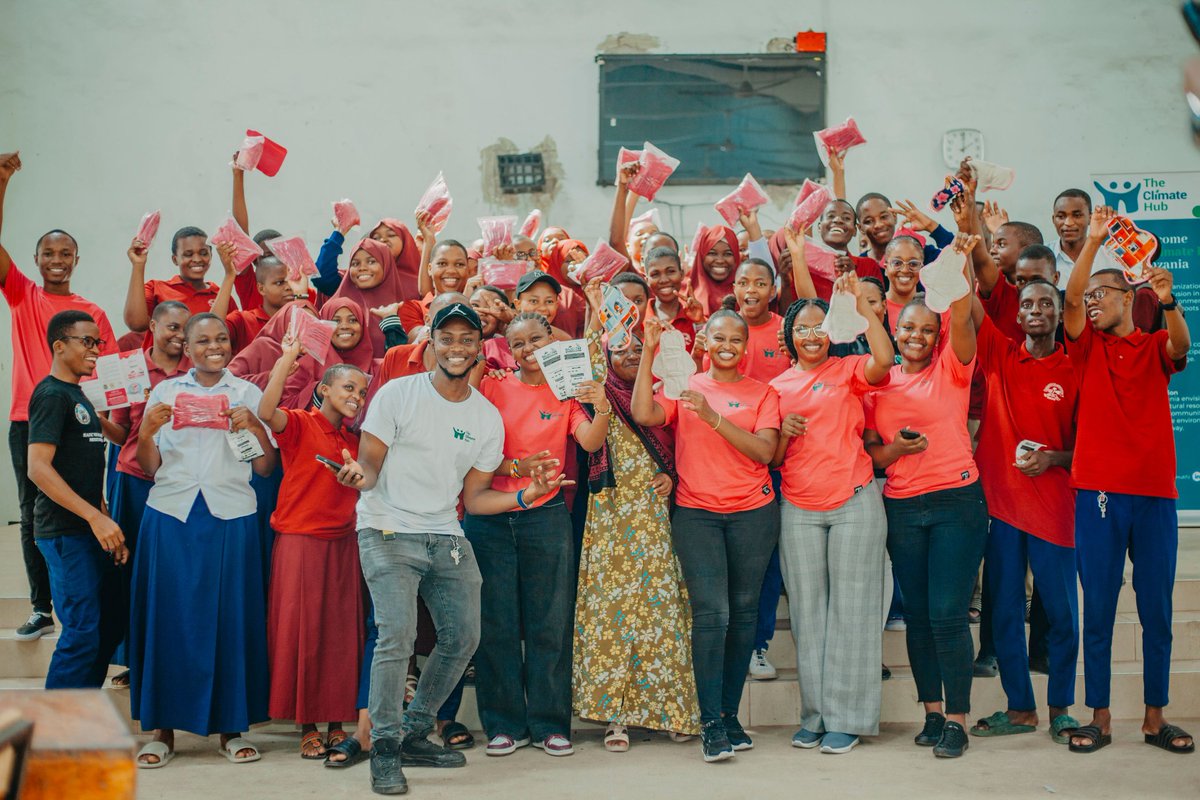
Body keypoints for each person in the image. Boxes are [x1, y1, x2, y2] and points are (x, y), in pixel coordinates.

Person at [334, 302, 569, 795]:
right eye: (447, 338)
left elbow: (478, 498)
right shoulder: (398, 394)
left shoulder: (485, 416)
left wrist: (527, 493)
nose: (457, 347)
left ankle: (417, 731)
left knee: (464, 638)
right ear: (432, 344)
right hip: (387, 528)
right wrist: (359, 477)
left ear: (480, 347)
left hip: (445, 532)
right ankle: (385, 747)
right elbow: (371, 463)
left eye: (467, 339)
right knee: (396, 637)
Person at [1063, 207, 1194, 755]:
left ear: (1127, 298)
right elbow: (1069, 303)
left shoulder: (1151, 344)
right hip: (1097, 492)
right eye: (1089, 297)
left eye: (1102, 295)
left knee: (1156, 609)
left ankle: (1155, 717)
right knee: (1097, 607)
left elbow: (1182, 347)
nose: (1092, 302)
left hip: (1155, 497)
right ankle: (1099, 716)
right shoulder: (1085, 345)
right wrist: (1092, 243)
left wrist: (1168, 300)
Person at [632, 311, 781, 763]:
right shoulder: (685, 387)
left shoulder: (763, 393)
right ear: (705, 341)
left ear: (747, 346)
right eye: (720, 337)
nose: (729, 345)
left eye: (738, 339)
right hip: (697, 514)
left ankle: (729, 715)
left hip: (753, 514)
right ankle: (709, 722)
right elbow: (643, 412)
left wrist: (714, 418)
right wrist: (648, 352)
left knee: (742, 614)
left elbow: (765, 451)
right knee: (712, 614)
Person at [129, 313, 277, 769]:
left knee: (229, 619)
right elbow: (151, 466)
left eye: (221, 339)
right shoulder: (165, 393)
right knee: (168, 620)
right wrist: (148, 432)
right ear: (186, 348)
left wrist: (250, 428)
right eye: (202, 340)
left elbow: (264, 469)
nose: (213, 346)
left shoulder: (247, 393)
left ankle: (231, 728)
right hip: (171, 515)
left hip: (230, 516)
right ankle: (162, 730)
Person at [863, 235, 988, 759]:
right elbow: (873, 458)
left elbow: (962, 316)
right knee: (917, 615)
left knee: (947, 614)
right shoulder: (875, 383)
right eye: (907, 327)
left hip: (957, 504)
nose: (916, 335)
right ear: (895, 330)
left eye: (925, 329)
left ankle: (959, 719)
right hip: (904, 507)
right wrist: (896, 448)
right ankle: (932, 713)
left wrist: (953, 261)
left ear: (937, 335)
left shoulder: (951, 368)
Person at [465, 310, 610, 758]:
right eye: (519, 344)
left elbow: (587, 442)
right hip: (489, 515)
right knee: (498, 623)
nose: (530, 350)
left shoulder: (567, 393)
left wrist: (601, 404)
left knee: (550, 622)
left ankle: (550, 725)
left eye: (537, 340)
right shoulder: (491, 386)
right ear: (507, 349)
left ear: (553, 339)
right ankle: (504, 725)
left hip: (545, 516)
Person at [770, 274, 894, 753]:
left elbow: (885, 360)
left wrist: (861, 310)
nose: (812, 334)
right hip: (798, 507)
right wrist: (784, 431)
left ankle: (849, 719)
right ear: (790, 337)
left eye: (821, 326)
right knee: (808, 615)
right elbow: (774, 460)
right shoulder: (776, 387)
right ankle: (816, 715)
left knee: (854, 612)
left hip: (855, 500)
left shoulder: (849, 369)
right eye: (802, 327)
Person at [0, 151, 118, 640]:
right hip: (29, 417)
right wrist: (2, 182)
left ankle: (80, 597)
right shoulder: (24, 295)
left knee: (84, 503)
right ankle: (40, 606)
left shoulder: (90, 313)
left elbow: (108, 374)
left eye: (64, 253)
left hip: (80, 422)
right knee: (32, 512)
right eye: (47, 254)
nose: (55, 260)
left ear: (75, 259)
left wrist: (109, 419)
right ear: (36, 261)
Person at [570, 311, 699, 751]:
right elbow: (588, 349)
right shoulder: (596, 394)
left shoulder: (670, 393)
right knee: (612, 611)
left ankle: (671, 712)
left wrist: (676, 473)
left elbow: (690, 444)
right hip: (608, 513)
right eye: (618, 348)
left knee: (660, 608)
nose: (627, 353)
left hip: (654, 510)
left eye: (637, 347)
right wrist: (592, 304)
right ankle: (615, 718)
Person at [967, 280, 1082, 746]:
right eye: (1028, 304)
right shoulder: (999, 353)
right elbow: (968, 301)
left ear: (1059, 314)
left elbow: (1090, 448)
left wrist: (1053, 458)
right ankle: (1020, 708)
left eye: (1046, 304)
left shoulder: (1076, 369)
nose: (1035, 311)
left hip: (1055, 510)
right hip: (1003, 509)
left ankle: (1060, 709)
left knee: (1060, 614)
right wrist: (959, 237)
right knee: (1007, 615)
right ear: (1017, 315)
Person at [259, 339, 370, 759]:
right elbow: (266, 412)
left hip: (344, 543)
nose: (356, 398)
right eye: (348, 389)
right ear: (324, 389)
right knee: (303, 634)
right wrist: (288, 358)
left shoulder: (356, 442)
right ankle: (307, 726)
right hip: (301, 542)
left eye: (361, 392)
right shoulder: (300, 424)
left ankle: (337, 724)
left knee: (342, 637)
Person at [26, 310, 127, 688]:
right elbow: (38, 468)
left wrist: (105, 522)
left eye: (97, 342)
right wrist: (96, 519)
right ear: (59, 345)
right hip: (64, 533)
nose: (96, 350)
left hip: (88, 531)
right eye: (87, 341)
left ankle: (79, 722)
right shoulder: (52, 395)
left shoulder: (78, 395)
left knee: (107, 626)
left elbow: (85, 467)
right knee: (82, 632)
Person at [106, 300, 191, 684]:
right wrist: (95, 416)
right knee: (130, 570)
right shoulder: (131, 369)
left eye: (185, 330)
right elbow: (121, 433)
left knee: (173, 574)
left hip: (182, 487)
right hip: (135, 481)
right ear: (153, 326)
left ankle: (171, 653)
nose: (179, 336)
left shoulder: (198, 370)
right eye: (172, 327)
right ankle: (132, 659)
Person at [123, 225, 222, 343]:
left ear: (211, 255)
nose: (197, 259)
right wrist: (138, 265)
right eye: (188, 254)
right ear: (175, 259)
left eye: (203, 253)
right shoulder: (156, 288)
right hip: (159, 362)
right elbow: (136, 324)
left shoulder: (220, 295)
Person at [856, 192, 954, 265]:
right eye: (869, 221)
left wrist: (930, 226)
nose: (878, 224)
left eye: (884, 217)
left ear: (894, 217)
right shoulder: (859, 266)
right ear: (860, 228)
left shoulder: (920, 254)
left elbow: (958, 257)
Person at [1050, 189, 1120, 289]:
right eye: (1061, 216)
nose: (1068, 222)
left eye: (1077, 215)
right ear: (1053, 219)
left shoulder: (1112, 257)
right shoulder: (1043, 257)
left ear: (1090, 218)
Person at [644, 245, 703, 351]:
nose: (664, 280)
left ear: (681, 274)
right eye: (655, 274)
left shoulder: (695, 317)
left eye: (670, 271)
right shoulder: (640, 318)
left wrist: (700, 323)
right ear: (647, 280)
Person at [689, 224, 742, 316]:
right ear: (702, 256)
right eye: (712, 253)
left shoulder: (746, 293)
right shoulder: (685, 291)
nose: (720, 261)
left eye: (728, 254)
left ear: (736, 258)